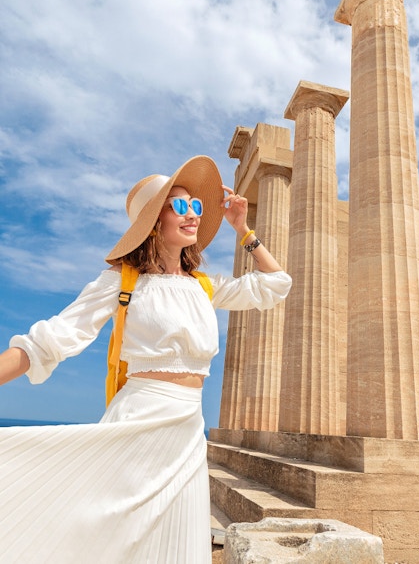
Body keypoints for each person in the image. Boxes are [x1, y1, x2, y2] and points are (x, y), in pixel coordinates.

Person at [0, 155, 291, 564]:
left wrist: (244, 230)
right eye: (181, 206)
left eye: (197, 206)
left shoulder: (203, 286)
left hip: (188, 430)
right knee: (112, 538)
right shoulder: (122, 281)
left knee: (177, 545)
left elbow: (276, 284)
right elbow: (46, 344)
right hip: (139, 420)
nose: (193, 215)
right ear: (156, 222)